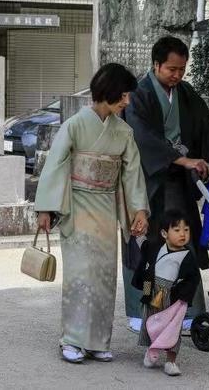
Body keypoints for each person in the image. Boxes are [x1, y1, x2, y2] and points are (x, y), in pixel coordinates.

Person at [34, 63, 150, 363]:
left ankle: (98, 340)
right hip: (77, 205)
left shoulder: (123, 132)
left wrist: (139, 210)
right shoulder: (74, 125)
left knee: (104, 274)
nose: (127, 102)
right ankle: (72, 339)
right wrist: (46, 208)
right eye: (123, 96)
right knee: (81, 274)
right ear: (109, 93)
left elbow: (132, 174)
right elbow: (56, 166)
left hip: (106, 206)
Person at [124, 36, 209, 328]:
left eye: (182, 70)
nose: (177, 75)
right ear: (156, 64)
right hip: (146, 182)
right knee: (146, 248)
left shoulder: (186, 93)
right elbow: (140, 136)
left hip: (179, 186)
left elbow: (206, 126)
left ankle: (188, 310)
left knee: (183, 242)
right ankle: (141, 311)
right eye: (172, 69)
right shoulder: (138, 94)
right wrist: (181, 159)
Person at [137, 209, 199, 377]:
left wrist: (183, 296)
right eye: (177, 230)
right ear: (164, 233)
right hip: (153, 288)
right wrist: (146, 293)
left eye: (186, 230)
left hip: (173, 294)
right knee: (151, 320)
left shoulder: (187, 255)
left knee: (173, 327)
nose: (183, 234)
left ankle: (171, 361)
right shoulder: (156, 248)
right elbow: (144, 251)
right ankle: (152, 350)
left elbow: (193, 278)